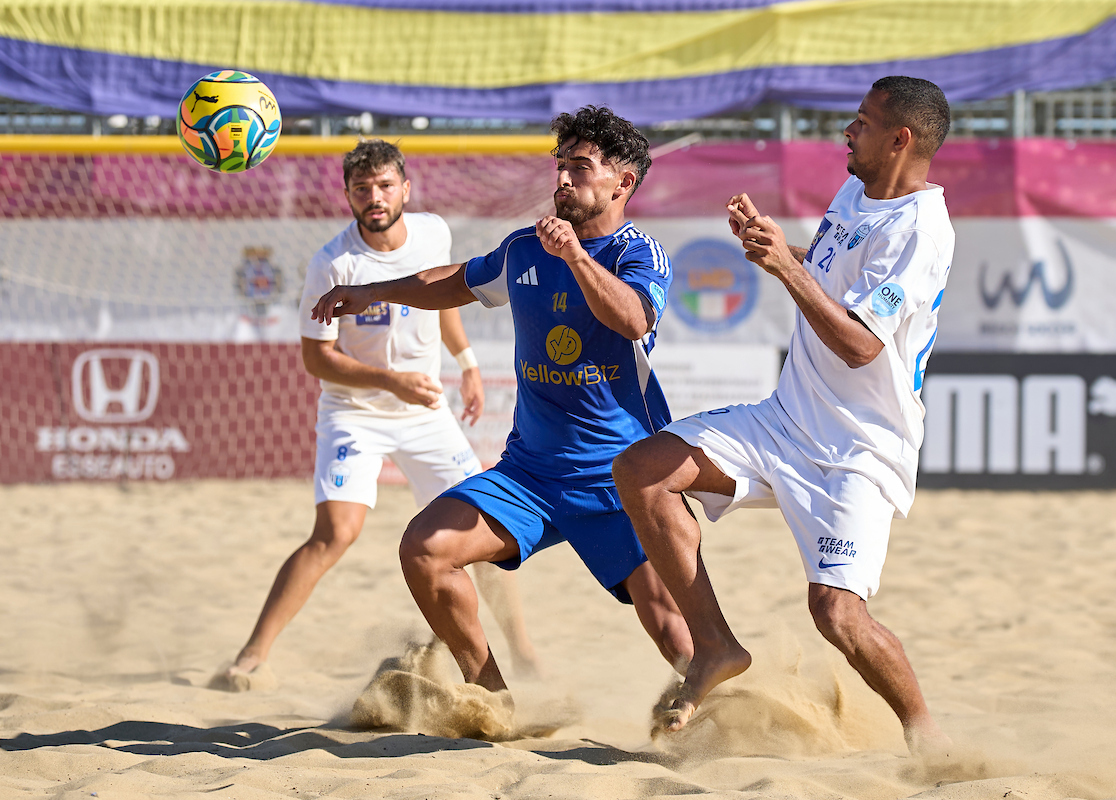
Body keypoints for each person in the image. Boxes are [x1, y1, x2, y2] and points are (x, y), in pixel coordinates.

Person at [613, 76, 955, 754]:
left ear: (901, 139)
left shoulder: (921, 232)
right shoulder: (859, 190)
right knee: (641, 471)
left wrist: (786, 272)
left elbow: (860, 344)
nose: (847, 133)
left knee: (837, 616)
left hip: (857, 450)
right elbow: (830, 284)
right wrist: (776, 247)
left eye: (861, 122)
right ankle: (712, 647)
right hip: (786, 419)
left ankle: (929, 738)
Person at [311, 106, 692, 697]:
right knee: (425, 550)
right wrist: (369, 291)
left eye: (581, 167)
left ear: (624, 182)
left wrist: (574, 257)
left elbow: (632, 319)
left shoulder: (636, 255)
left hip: (620, 476)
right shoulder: (525, 249)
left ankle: (720, 716)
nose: (564, 179)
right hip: (530, 473)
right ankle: (492, 699)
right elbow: (451, 280)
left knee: (676, 634)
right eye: (560, 166)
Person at [217, 139, 539, 690]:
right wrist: (392, 381)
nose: (375, 197)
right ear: (347, 195)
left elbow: (444, 300)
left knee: (478, 531)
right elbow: (316, 359)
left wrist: (466, 364)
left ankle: (525, 655)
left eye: (385, 185)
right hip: (355, 411)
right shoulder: (333, 263)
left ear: (405, 189)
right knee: (336, 533)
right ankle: (252, 655)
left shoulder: (433, 232)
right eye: (362, 188)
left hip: (425, 411)